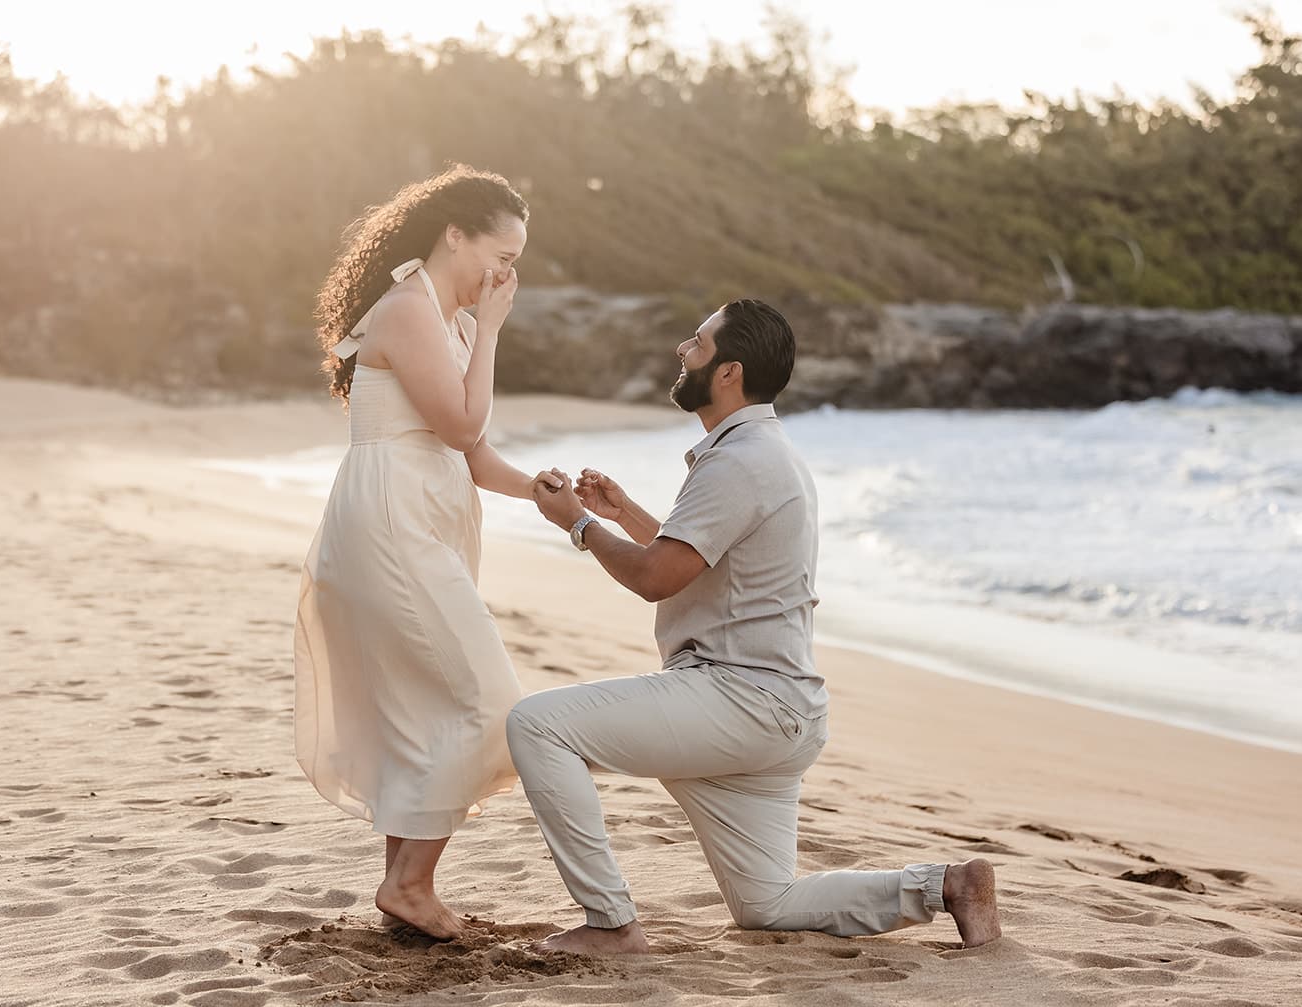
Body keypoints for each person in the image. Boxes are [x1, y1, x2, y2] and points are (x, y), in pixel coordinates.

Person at [513, 298, 1002, 954]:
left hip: (737, 700)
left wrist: (577, 522)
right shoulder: (763, 453)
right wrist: (624, 512)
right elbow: (701, 563)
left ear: (727, 371)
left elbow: (657, 577)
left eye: (696, 341)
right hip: (779, 709)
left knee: (537, 724)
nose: (682, 351)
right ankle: (945, 886)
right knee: (767, 904)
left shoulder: (738, 461)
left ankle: (611, 922)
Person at [294, 165, 561, 940]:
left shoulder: (456, 319)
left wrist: (539, 493)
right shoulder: (411, 309)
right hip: (390, 523)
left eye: (516, 262)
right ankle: (411, 882)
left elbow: (475, 455)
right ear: (455, 235)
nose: (506, 273)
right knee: (489, 702)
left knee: (424, 705)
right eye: (500, 255)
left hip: (426, 518)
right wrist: (496, 333)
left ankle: (400, 883)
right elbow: (458, 425)